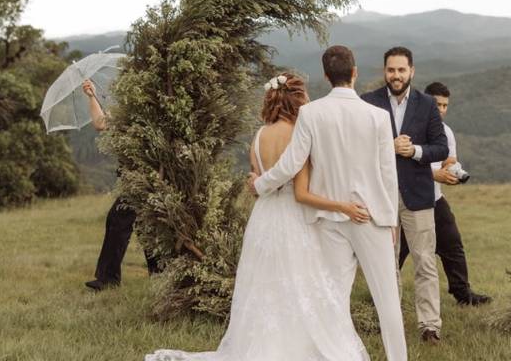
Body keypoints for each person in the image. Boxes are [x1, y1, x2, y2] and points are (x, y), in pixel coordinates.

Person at [146, 69, 376, 361]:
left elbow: (256, 182)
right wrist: (343, 206)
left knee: (265, 285)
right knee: (302, 283)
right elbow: (302, 192)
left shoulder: (259, 136)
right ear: (297, 101)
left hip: (264, 218)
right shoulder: (301, 134)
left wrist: (257, 185)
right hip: (296, 218)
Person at [250, 46, 408, 361]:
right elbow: (388, 174)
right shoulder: (378, 116)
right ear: (355, 72)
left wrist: (260, 184)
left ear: (325, 76)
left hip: (328, 218)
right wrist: (390, 221)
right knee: (387, 300)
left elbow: (292, 164)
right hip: (371, 218)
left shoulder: (311, 113)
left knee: (334, 298)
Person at [361, 47, 450, 344]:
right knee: (386, 263)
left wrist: (414, 151)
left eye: (401, 70)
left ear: (412, 71)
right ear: (384, 71)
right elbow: (358, 147)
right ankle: (391, 321)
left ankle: (430, 326)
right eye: (391, 70)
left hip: (419, 196)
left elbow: (441, 148)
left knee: (425, 261)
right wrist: (389, 146)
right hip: (381, 196)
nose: (396, 75)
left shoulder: (426, 105)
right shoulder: (368, 103)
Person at [397, 81, 492, 306]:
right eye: (437, 104)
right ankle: (382, 295)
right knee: (398, 252)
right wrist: (433, 175)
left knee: (453, 245)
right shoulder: (407, 128)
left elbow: (448, 161)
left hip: (434, 199)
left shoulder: (446, 132)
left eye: (445, 105)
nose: (441, 109)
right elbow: (398, 166)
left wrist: (452, 172)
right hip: (405, 200)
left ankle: (463, 294)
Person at [81, 79, 159, 291]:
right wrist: (91, 96)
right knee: (144, 225)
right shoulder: (130, 112)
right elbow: (100, 123)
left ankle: (108, 280)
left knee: (123, 220)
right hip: (133, 178)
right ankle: (159, 276)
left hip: (144, 177)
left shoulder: (148, 113)